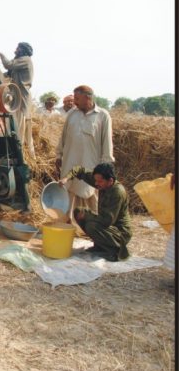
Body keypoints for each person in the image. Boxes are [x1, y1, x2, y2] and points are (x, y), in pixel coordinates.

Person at [55, 85, 114, 229]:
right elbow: (63, 137)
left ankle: (91, 228)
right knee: (67, 192)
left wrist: (106, 165)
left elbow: (107, 142)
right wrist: (58, 155)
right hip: (70, 162)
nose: (74, 102)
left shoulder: (102, 116)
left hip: (90, 164)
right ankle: (66, 225)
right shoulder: (72, 114)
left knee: (90, 195)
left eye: (77, 98)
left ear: (88, 97)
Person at [59, 163, 131, 261]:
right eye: (95, 180)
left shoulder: (117, 193)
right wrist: (66, 178)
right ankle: (100, 245)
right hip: (107, 225)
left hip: (119, 232)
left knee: (91, 225)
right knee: (78, 211)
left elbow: (107, 220)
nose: (96, 184)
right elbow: (80, 170)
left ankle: (113, 250)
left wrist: (87, 215)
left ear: (110, 181)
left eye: (99, 181)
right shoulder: (101, 182)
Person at [0, 42, 35, 159]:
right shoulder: (19, 63)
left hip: (21, 99)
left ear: (23, 50)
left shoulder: (25, 59)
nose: (15, 51)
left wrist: (1, 55)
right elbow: (7, 73)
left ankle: (19, 158)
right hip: (17, 98)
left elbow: (8, 65)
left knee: (19, 130)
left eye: (17, 49)